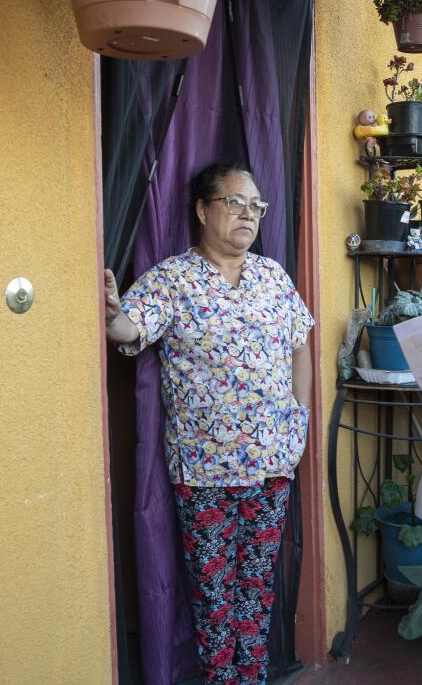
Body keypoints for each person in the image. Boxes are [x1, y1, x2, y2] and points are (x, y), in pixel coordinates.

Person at [104, 162, 314, 685]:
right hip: (204, 473)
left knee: (259, 589)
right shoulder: (174, 279)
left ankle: (254, 678)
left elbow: (300, 343)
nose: (249, 215)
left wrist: (299, 419)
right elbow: (129, 326)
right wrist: (110, 315)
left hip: (271, 463)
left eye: (257, 207)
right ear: (202, 210)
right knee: (215, 598)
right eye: (235, 203)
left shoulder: (272, 277)